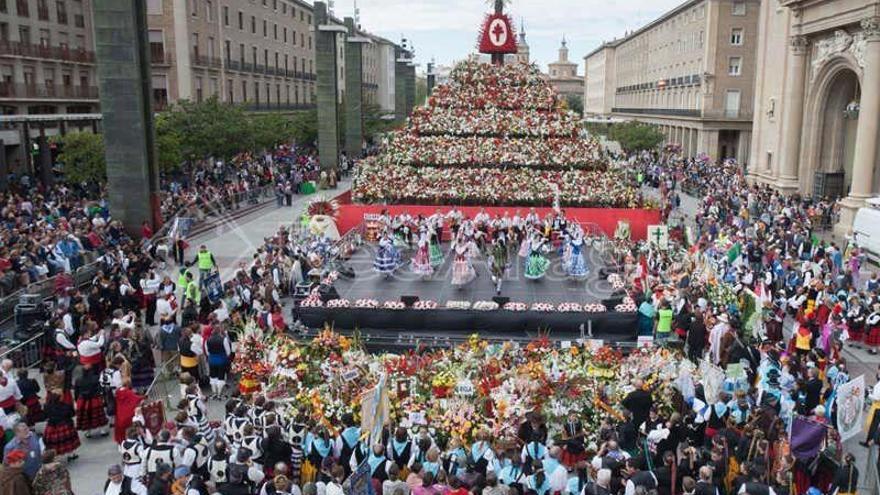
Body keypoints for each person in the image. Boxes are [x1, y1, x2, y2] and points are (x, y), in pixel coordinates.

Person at [42, 391, 80, 461]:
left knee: (54, 443)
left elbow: (44, 416)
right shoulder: (66, 406)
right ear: (60, 398)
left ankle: (56, 457)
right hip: (65, 425)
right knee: (68, 441)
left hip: (52, 426)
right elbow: (72, 414)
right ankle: (71, 455)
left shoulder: (46, 406)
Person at [74, 364, 110, 437]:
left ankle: (88, 432)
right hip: (94, 399)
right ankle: (102, 431)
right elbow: (99, 389)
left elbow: (76, 392)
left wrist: (76, 400)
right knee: (99, 416)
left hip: (83, 400)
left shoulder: (78, 380)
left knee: (87, 417)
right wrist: (101, 397)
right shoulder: (95, 378)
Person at [114, 379, 144, 444]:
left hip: (120, 413)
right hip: (128, 414)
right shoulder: (128, 392)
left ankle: (121, 441)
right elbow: (136, 398)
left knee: (120, 428)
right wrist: (143, 397)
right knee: (131, 427)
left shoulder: (117, 392)